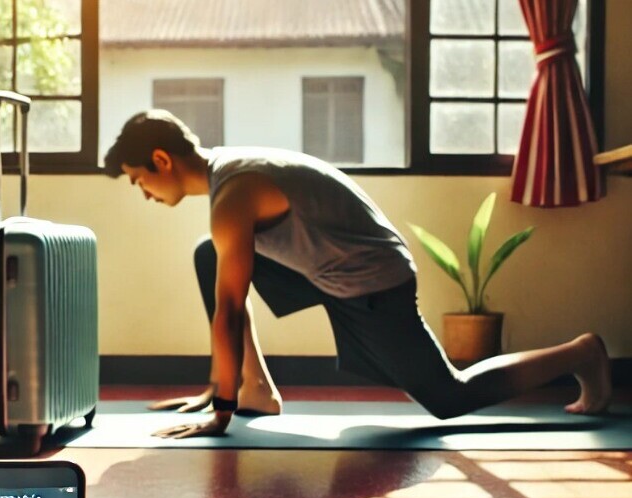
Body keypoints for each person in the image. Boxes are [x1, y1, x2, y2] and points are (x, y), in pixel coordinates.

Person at [103, 110, 612, 439]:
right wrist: (228, 387)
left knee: (449, 397)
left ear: (161, 160)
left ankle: (581, 354)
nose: (143, 193)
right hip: (329, 271)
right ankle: (257, 387)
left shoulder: (233, 192)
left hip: (373, 286)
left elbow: (230, 306)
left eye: (137, 180)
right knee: (210, 255)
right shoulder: (230, 172)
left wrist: (220, 409)